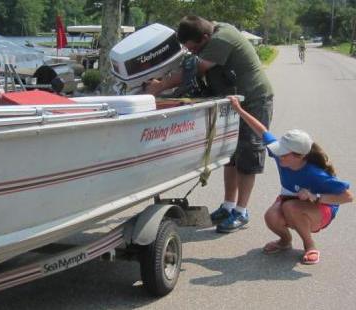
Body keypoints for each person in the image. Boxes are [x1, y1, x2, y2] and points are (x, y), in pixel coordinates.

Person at [145, 16, 274, 233]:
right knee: (231, 156)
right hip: (233, 101)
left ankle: (241, 212)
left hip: (254, 100)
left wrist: (159, 86)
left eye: (195, 48)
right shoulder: (211, 31)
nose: (193, 53)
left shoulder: (221, 39)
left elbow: (196, 69)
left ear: (205, 37)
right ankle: (228, 206)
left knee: (248, 154)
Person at [227, 95, 353, 264]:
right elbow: (261, 131)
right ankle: (285, 241)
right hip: (292, 200)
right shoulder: (282, 156)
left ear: (299, 156)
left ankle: (310, 246)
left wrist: (315, 197)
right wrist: (238, 109)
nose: (278, 155)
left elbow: (348, 197)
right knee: (271, 217)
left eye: (284, 153)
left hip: (321, 209)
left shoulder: (316, 174)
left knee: (290, 207)